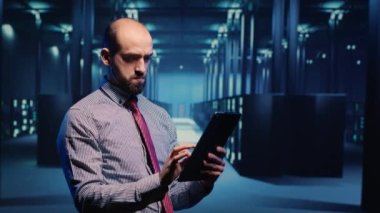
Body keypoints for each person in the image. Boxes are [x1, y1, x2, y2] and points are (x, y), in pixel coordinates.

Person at [56, 18, 226, 213]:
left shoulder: (159, 116)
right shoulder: (82, 117)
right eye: (131, 58)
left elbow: (167, 200)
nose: (142, 68)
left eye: (147, 58)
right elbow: (87, 199)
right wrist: (158, 181)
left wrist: (203, 184)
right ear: (106, 57)